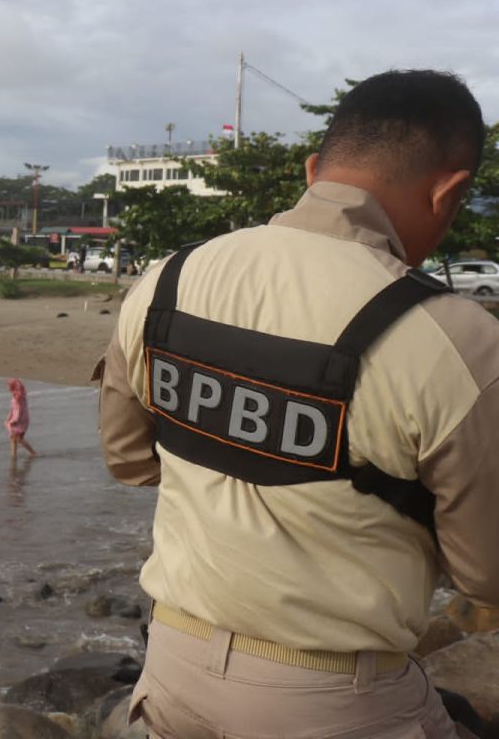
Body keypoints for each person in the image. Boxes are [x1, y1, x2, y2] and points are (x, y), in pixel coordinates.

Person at [97, 70, 497, 737]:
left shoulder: (163, 283)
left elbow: (130, 461)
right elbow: (486, 574)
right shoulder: (459, 343)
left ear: (314, 169)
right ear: (449, 192)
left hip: (169, 676)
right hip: (338, 704)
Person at [4, 378, 36, 459]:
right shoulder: (16, 396)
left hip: (20, 420)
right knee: (13, 438)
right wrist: (9, 418)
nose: (8, 387)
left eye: (9, 386)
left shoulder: (19, 397)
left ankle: (33, 453)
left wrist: (15, 420)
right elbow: (12, 409)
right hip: (18, 419)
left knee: (19, 439)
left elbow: (19, 410)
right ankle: (13, 456)